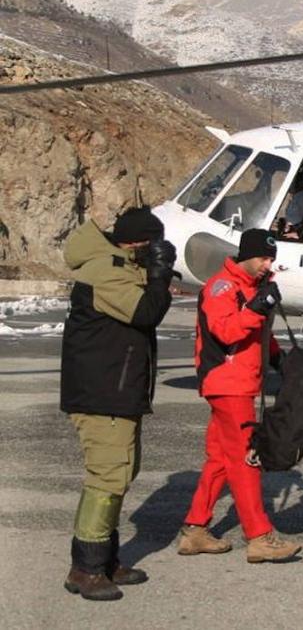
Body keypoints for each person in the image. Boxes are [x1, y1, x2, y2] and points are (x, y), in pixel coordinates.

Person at [60, 206, 176, 601]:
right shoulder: (104, 269)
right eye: (152, 244)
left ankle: (104, 560)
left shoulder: (118, 265)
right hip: (102, 391)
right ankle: (86, 568)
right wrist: (158, 274)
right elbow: (146, 312)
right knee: (108, 476)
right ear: (137, 242)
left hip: (116, 388)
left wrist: (154, 273)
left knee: (121, 472)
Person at [177, 229, 302, 563]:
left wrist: (280, 360)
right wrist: (258, 307)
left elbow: (257, 335)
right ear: (246, 255)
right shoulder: (222, 287)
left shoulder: (251, 288)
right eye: (263, 257)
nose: (267, 264)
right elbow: (226, 330)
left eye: (271, 259)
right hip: (228, 383)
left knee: (220, 458)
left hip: (239, 382)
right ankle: (259, 536)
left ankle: (195, 529)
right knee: (247, 458)